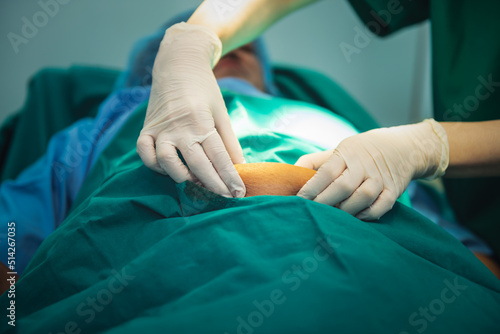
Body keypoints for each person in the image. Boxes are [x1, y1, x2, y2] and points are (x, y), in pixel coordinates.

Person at [137, 0, 500, 257]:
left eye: (246, 52)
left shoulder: (324, 119)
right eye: (226, 51)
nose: (235, 54)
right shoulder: (114, 123)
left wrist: (429, 146)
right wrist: (194, 38)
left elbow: (455, 249)